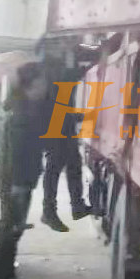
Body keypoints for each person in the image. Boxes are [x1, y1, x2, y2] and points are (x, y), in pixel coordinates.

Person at [0, 62, 48, 279]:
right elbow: (16, 152)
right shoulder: (22, 113)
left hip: (19, 178)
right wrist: (18, 185)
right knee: (11, 227)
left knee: (10, 225)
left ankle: (3, 273)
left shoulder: (26, 107)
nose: (45, 86)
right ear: (31, 85)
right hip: (15, 180)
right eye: (42, 81)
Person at [41, 75, 92, 233]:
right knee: (54, 167)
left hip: (63, 124)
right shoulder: (54, 73)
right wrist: (79, 116)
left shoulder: (63, 74)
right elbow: (54, 107)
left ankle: (77, 206)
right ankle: (49, 211)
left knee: (74, 164)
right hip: (56, 125)